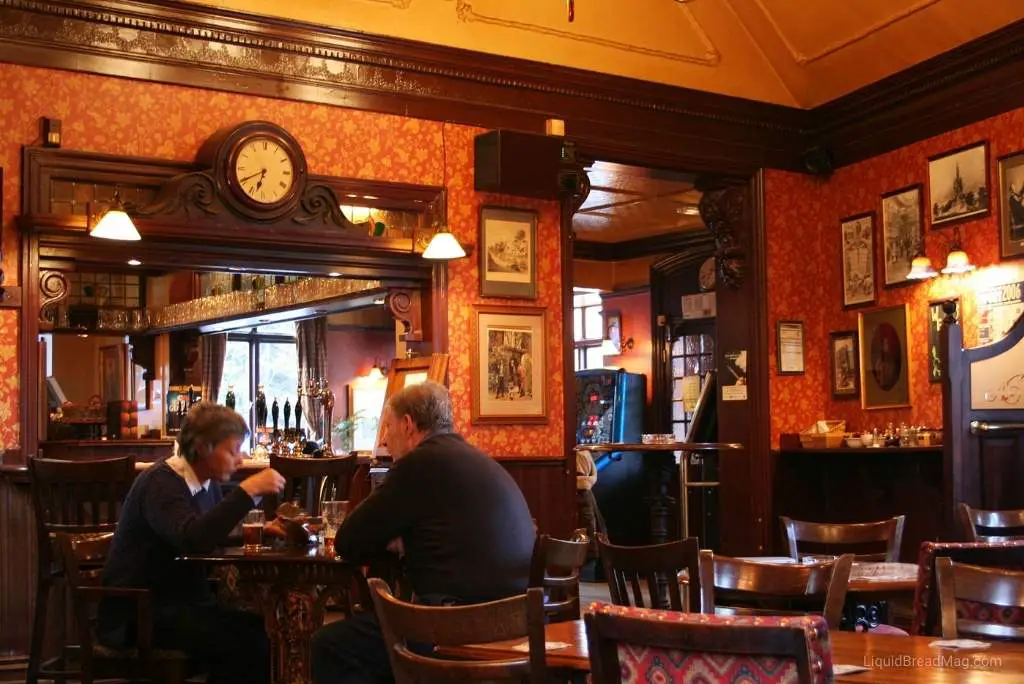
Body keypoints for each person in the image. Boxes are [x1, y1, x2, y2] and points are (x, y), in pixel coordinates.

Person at [311, 380, 536, 684]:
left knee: (326, 646)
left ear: (407, 425)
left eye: (387, 427)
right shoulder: (477, 459)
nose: (385, 441)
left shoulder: (419, 463)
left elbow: (348, 541)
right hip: (517, 621)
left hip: (455, 623)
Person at [98, 402, 286, 684]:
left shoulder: (205, 483)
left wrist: (260, 531)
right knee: (243, 644)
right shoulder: (161, 483)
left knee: (264, 632)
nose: (240, 460)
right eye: (232, 451)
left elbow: (210, 533)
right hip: (141, 613)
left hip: (181, 605)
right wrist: (248, 490)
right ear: (202, 447)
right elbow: (193, 539)